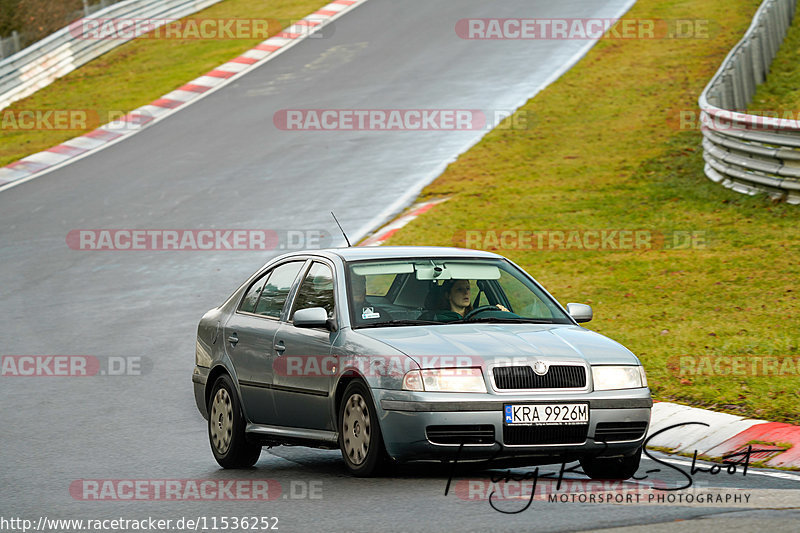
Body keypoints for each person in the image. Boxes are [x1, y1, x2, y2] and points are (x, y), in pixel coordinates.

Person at [433, 279, 508, 323]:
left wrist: (504, 314)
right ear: (448, 295)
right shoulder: (439, 320)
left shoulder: (479, 316)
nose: (466, 293)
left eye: (468, 288)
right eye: (460, 289)